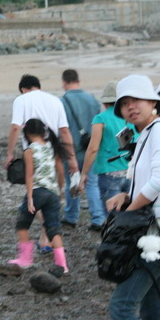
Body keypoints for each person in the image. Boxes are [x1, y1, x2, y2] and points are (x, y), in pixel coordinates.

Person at [106, 75, 160, 320]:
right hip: (154, 229)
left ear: (152, 102)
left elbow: (158, 182)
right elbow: (147, 182)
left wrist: (127, 213)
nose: (130, 107)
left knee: (121, 308)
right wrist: (126, 196)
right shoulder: (146, 133)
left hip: (159, 232)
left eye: (136, 100)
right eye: (124, 103)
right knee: (153, 313)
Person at [4, 74, 78, 252]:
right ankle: (46, 238)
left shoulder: (21, 100)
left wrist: (9, 153)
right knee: (51, 193)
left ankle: (47, 234)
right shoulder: (55, 100)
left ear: (23, 89)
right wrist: (72, 157)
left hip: (34, 154)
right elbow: (65, 131)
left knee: (35, 194)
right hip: (54, 153)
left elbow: (15, 127)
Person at [8, 118, 69, 272]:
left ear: (27, 134)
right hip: (53, 192)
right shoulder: (52, 147)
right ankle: (62, 264)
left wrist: (29, 197)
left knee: (22, 225)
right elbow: (60, 171)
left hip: (37, 191)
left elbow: (29, 175)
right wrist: (60, 190)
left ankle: (25, 259)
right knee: (53, 228)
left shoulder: (29, 150)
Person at [79, 81, 137, 219]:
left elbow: (93, 149)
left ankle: (115, 239)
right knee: (131, 212)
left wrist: (84, 173)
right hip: (132, 172)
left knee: (112, 215)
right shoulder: (131, 116)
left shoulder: (101, 118)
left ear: (105, 103)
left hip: (109, 173)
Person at [60, 69, 104, 231]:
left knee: (72, 182)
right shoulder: (92, 99)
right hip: (90, 148)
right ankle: (98, 218)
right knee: (92, 184)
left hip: (71, 149)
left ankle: (71, 217)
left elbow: (61, 130)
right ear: (78, 81)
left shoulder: (62, 102)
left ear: (64, 82)